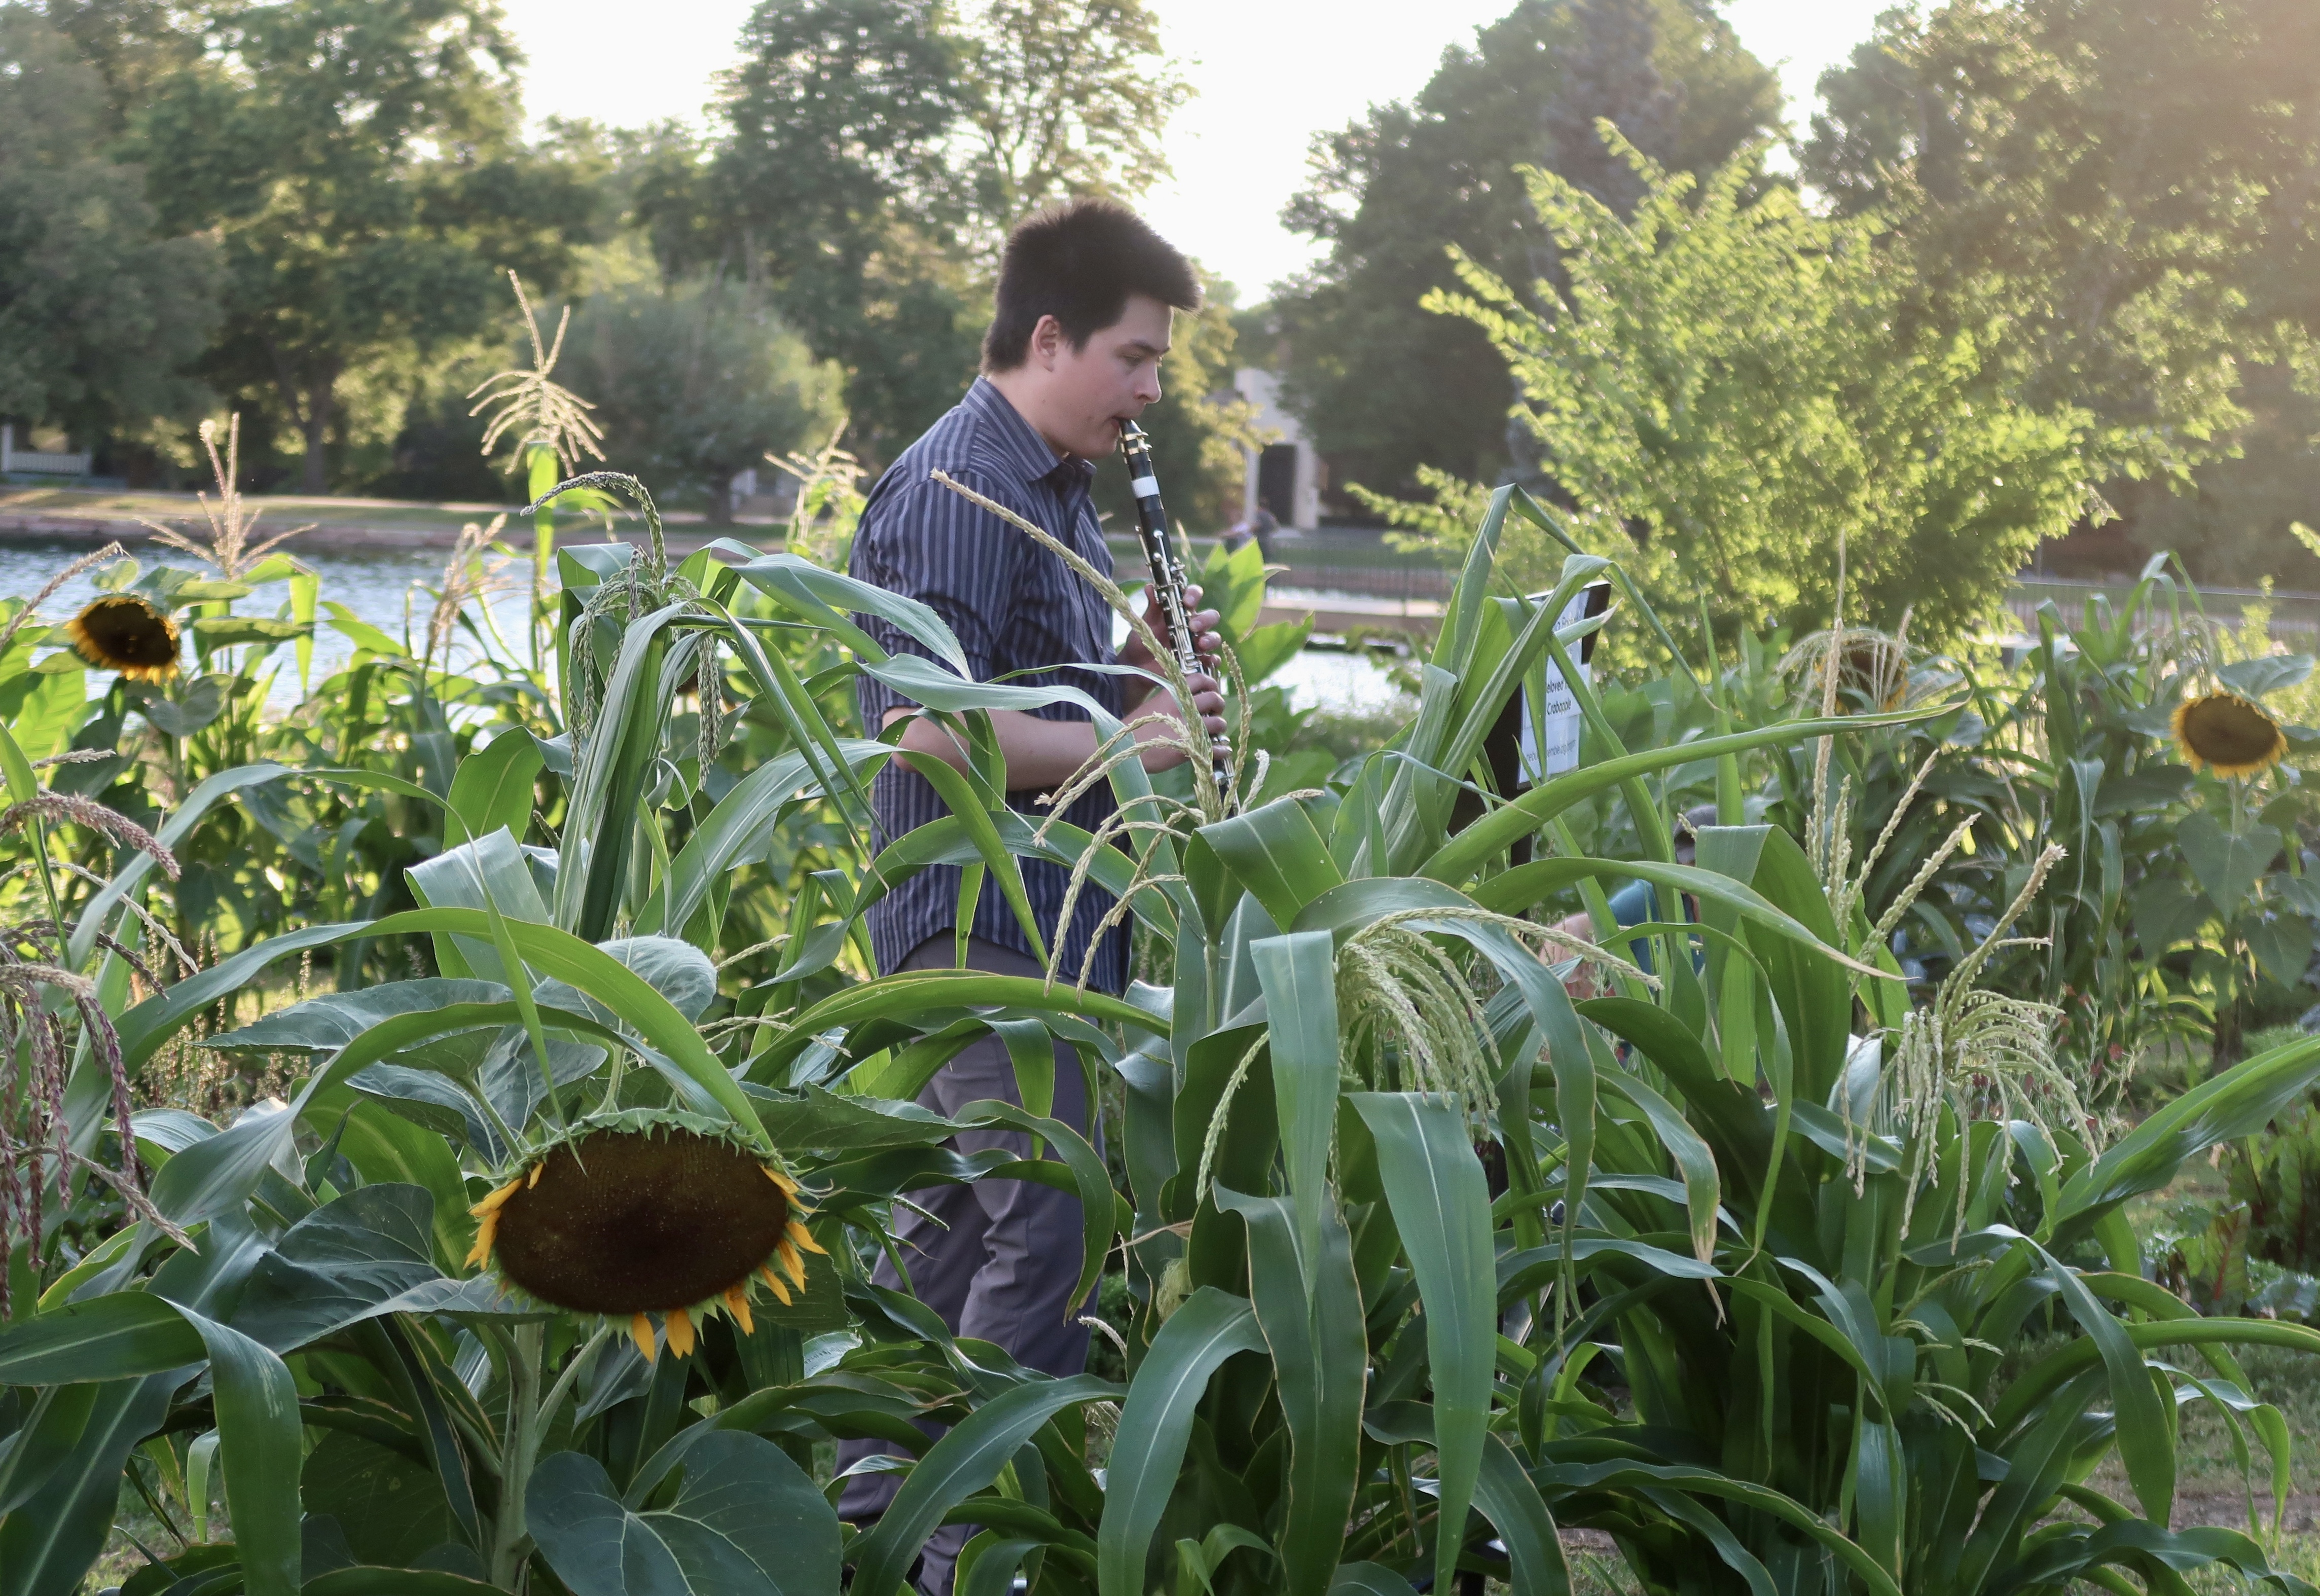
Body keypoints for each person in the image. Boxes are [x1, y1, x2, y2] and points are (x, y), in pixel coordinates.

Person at [837, 198, 1226, 1596]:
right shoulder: (955, 485)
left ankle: (870, 1527)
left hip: (1059, 913)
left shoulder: (1060, 484)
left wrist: (1147, 660)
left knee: (958, 1230)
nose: (1151, 392)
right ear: (1048, 337)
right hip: (975, 918)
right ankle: (956, 1554)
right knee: (1042, 1220)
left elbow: (1056, 694)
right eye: (1133, 358)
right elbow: (928, 736)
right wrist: (1143, 743)